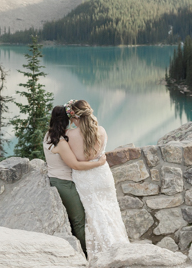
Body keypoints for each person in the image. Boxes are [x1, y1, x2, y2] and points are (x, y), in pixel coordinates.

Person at [65, 99, 129, 259]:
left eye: (71, 118)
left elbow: (73, 160)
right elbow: (101, 156)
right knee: (111, 210)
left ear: (75, 117)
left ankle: (101, 254)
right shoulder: (102, 131)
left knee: (93, 213)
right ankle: (119, 246)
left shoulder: (69, 135)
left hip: (84, 178)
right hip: (102, 175)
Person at [44, 104, 106, 256]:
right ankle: (87, 255)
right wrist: (98, 163)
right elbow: (75, 165)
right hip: (64, 183)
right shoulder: (61, 142)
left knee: (74, 220)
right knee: (79, 220)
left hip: (57, 179)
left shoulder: (48, 135)